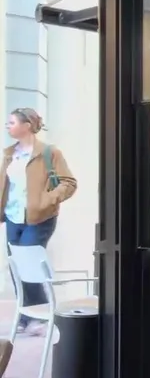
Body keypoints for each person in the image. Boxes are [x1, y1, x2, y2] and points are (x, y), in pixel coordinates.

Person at [2, 108, 77, 336]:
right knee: (17, 266)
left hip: (39, 218)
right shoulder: (9, 154)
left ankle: (40, 317)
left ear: (27, 126)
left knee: (30, 265)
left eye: (12, 122)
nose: (7, 126)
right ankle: (26, 317)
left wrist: (48, 200)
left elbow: (69, 182)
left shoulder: (49, 152)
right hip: (13, 217)